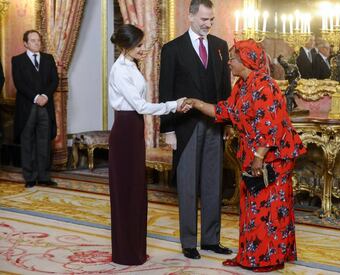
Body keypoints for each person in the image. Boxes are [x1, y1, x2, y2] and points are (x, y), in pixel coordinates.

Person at [184, 39, 307, 272]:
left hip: (273, 156)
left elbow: (269, 126)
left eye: (232, 58)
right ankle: (252, 255)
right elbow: (225, 111)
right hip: (255, 154)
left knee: (269, 206)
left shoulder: (265, 86)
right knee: (252, 205)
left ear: (246, 61)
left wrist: (259, 158)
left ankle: (268, 258)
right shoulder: (241, 85)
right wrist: (197, 103)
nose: (228, 62)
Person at [108, 24, 189, 265]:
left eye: (143, 44)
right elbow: (141, 106)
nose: (144, 49)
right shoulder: (119, 70)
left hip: (133, 129)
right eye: (139, 45)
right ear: (126, 46)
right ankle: (126, 253)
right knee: (126, 191)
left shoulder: (132, 65)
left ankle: (135, 250)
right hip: (125, 130)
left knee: (135, 190)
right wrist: (173, 105)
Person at [158, 0, 232, 260]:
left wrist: (227, 124)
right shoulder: (172, 49)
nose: (208, 24)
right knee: (188, 187)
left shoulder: (220, 47)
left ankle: (211, 240)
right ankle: (188, 242)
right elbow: (165, 91)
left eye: (211, 20)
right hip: (185, 127)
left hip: (214, 125)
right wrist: (167, 130)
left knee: (213, 184)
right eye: (203, 19)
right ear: (190, 17)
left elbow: (225, 91)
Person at [12, 30, 58, 188]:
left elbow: (54, 80)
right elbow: (19, 83)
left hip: (46, 107)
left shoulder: (48, 58)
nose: (37, 43)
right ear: (25, 43)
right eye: (33, 40)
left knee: (44, 141)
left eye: (38, 40)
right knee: (28, 142)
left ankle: (44, 176)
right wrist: (35, 97)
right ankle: (30, 177)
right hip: (27, 107)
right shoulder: (17, 60)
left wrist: (45, 95)